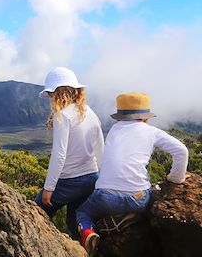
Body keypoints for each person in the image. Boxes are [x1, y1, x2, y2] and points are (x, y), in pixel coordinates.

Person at [76, 92, 189, 257]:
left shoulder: (114, 130)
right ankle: (132, 215)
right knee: (151, 193)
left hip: (104, 197)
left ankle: (88, 232)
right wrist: (175, 178)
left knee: (83, 212)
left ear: (119, 117)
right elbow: (182, 151)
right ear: (146, 118)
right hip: (137, 198)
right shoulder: (151, 132)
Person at [35, 67, 104, 239]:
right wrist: (102, 178)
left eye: (51, 93)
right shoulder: (90, 112)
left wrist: (49, 188)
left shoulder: (63, 116)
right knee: (75, 223)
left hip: (69, 181)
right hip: (91, 178)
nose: (50, 98)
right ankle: (85, 240)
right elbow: (100, 148)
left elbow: (59, 154)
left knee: (34, 213)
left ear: (58, 93)